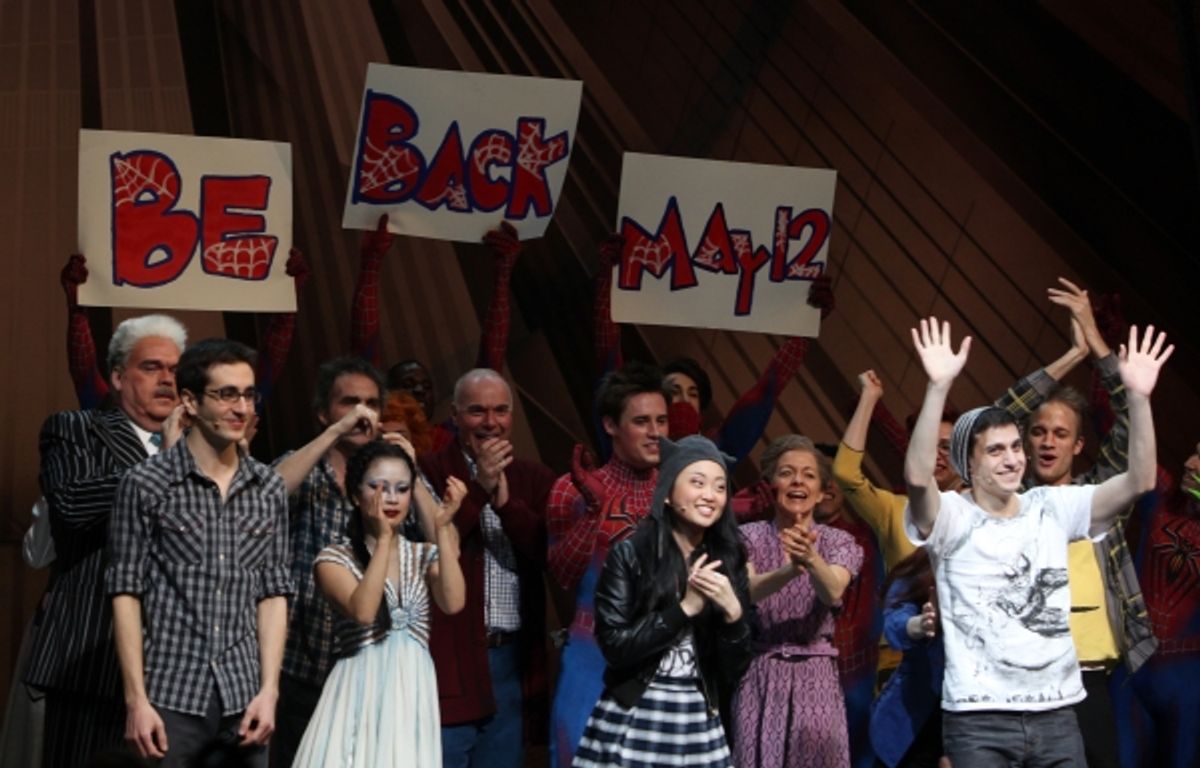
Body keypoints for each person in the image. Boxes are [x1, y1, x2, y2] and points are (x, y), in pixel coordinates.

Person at [903, 317, 1171, 766]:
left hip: (1057, 715)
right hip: (978, 717)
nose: (1013, 459)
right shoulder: (952, 516)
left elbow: (1140, 480)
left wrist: (1140, 400)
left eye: (1014, 447)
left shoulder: (1050, 505)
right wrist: (937, 389)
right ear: (967, 462)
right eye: (996, 450)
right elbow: (915, 476)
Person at [106, 338, 293, 767]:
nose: (241, 408)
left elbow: (273, 594)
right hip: (171, 694)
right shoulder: (145, 484)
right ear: (189, 401)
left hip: (245, 697)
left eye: (248, 394)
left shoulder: (269, 488)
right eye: (226, 394)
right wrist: (136, 699)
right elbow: (125, 593)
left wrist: (269, 690)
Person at [26, 314, 187, 768]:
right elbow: (73, 507)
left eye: (175, 370)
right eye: (152, 367)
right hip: (91, 661)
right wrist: (165, 467)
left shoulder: (205, 446)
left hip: (181, 671)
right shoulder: (74, 429)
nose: (167, 379)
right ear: (117, 377)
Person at [573, 435, 752, 767]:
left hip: (698, 715)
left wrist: (735, 615)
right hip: (637, 708)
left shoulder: (728, 558)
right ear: (668, 493)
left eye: (719, 487)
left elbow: (733, 671)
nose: (710, 496)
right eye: (697, 483)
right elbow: (615, 646)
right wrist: (684, 609)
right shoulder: (632, 553)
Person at [292, 440, 468, 766]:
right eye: (379, 487)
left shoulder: (421, 554)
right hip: (361, 687)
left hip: (412, 689)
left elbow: (454, 602)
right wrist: (385, 538)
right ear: (357, 495)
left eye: (402, 488)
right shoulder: (333, 558)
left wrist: (442, 530)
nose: (390, 497)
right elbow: (364, 611)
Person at [418, 368, 556, 767]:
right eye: (477, 411)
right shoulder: (427, 472)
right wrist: (477, 487)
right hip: (447, 659)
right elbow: (436, 549)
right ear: (455, 416)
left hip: (510, 660)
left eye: (500, 410)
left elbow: (546, 555)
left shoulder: (533, 477)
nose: (491, 422)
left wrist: (506, 504)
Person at [546, 362, 668, 766]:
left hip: (664, 661)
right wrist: (593, 511)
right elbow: (562, 574)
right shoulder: (572, 487)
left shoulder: (685, 490)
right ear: (611, 425)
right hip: (591, 657)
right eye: (642, 421)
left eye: (662, 420)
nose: (656, 432)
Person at [268, 357, 385, 767]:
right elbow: (267, 495)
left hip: (368, 670)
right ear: (323, 413)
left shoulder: (389, 477)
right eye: (349, 402)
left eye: (371, 403)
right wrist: (335, 432)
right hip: (301, 665)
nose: (361, 413)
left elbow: (439, 531)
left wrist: (404, 462)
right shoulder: (303, 466)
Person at [733, 435, 863, 768]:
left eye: (808, 475)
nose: (797, 481)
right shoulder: (748, 536)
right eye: (786, 472)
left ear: (821, 491)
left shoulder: (839, 541)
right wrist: (792, 569)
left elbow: (832, 590)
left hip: (816, 676)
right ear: (771, 484)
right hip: (761, 672)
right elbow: (748, 590)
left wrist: (810, 558)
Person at [1116, 440, 1200, 767]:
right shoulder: (1164, 498)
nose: (1190, 463)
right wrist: (1135, 393)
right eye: (1193, 451)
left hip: (1189, 686)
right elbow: (1122, 432)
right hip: (1133, 675)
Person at [869, 548, 945, 768]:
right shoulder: (926, 564)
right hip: (914, 719)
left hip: (988, 718)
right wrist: (922, 624)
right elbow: (896, 622)